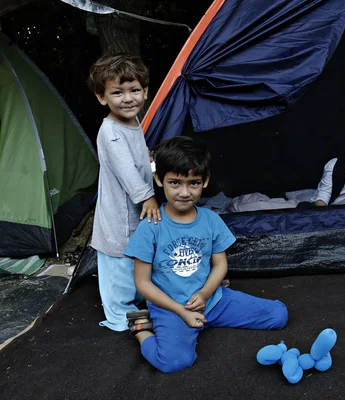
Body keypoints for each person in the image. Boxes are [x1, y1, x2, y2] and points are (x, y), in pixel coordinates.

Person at [123, 136, 288, 374]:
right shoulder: (151, 226)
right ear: (159, 179)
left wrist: (204, 293)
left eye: (194, 183)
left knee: (278, 315)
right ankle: (142, 330)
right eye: (175, 183)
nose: (184, 192)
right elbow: (142, 282)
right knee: (173, 362)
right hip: (171, 309)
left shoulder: (211, 219)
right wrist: (181, 311)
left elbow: (220, 265)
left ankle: (202, 318)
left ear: (205, 181)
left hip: (213, 301)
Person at [88, 53, 161, 332]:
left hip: (135, 208)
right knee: (118, 261)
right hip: (119, 212)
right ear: (102, 97)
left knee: (136, 255)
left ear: (145, 92)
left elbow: (139, 156)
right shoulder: (111, 131)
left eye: (135, 91)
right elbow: (125, 170)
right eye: (118, 93)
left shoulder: (132, 122)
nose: (128, 99)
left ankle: (139, 299)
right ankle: (119, 315)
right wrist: (147, 195)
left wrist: (152, 166)